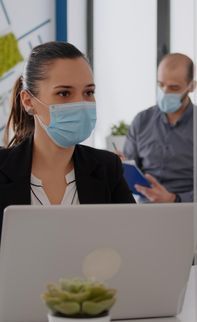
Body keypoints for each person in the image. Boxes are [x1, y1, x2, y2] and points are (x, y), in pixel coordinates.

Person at [0, 41, 135, 236]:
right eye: (64, 93)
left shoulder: (107, 167)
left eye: (88, 92)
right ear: (28, 102)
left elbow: (132, 242)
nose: (81, 103)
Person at [123, 53, 195, 203]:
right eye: (161, 84)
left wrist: (174, 199)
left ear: (191, 86)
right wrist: (119, 165)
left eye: (174, 87)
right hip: (146, 209)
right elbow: (128, 170)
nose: (165, 92)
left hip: (188, 212)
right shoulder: (141, 121)